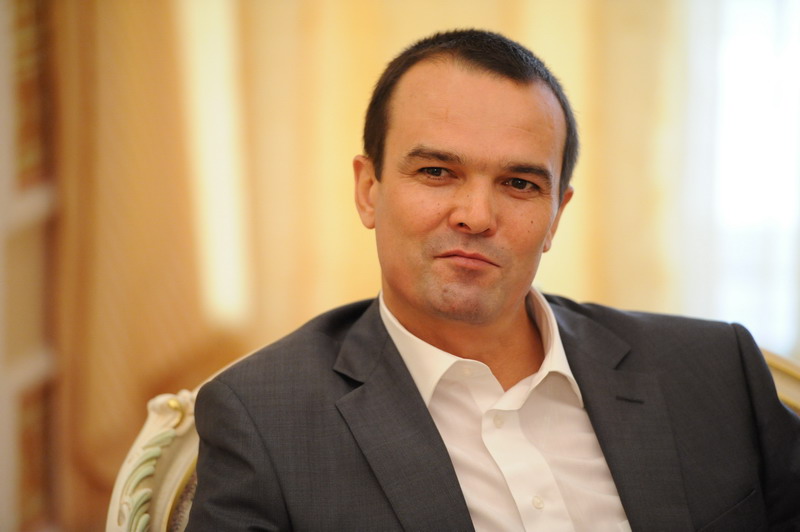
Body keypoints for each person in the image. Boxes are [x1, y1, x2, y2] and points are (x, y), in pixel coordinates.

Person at [186, 29, 800, 531]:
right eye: (436, 172)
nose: (476, 216)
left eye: (519, 184)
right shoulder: (264, 418)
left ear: (556, 214)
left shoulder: (714, 371)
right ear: (369, 189)